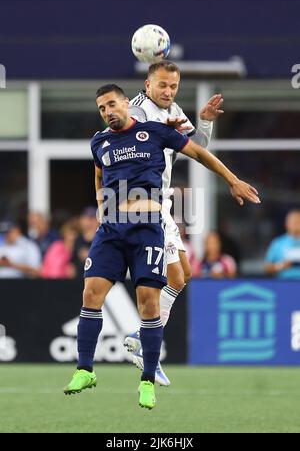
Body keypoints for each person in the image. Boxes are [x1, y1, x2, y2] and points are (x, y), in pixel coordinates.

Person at [63, 84, 260, 409]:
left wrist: (232, 179)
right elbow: (98, 175)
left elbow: (199, 153)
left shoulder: (155, 132)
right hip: (111, 230)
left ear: (126, 103)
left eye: (111, 104)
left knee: (149, 304)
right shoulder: (99, 142)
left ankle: (147, 380)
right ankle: (85, 369)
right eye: (101, 108)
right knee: (90, 294)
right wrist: (100, 202)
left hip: (147, 230)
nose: (108, 111)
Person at [124, 60, 224, 384]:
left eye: (173, 86)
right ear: (147, 84)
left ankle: (141, 337)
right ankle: (145, 345)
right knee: (172, 276)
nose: (168, 91)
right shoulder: (136, 113)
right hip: (143, 204)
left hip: (163, 204)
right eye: (162, 85)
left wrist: (204, 123)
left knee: (184, 276)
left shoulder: (173, 108)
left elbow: (197, 150)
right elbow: (124, 147)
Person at [265, 210, 300, 279]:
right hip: (283, 284)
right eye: (294, 222)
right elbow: (267, 267)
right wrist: (281, 265)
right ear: (287, 224)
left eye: (298, 221)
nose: (296, 225)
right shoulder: (278, 243)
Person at [72, 207, 99, 277]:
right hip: (79, 278)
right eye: (87, 219)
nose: (89, 222)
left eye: (93, 219)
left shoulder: (102, 239)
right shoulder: (78, 239)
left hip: (96, 278)